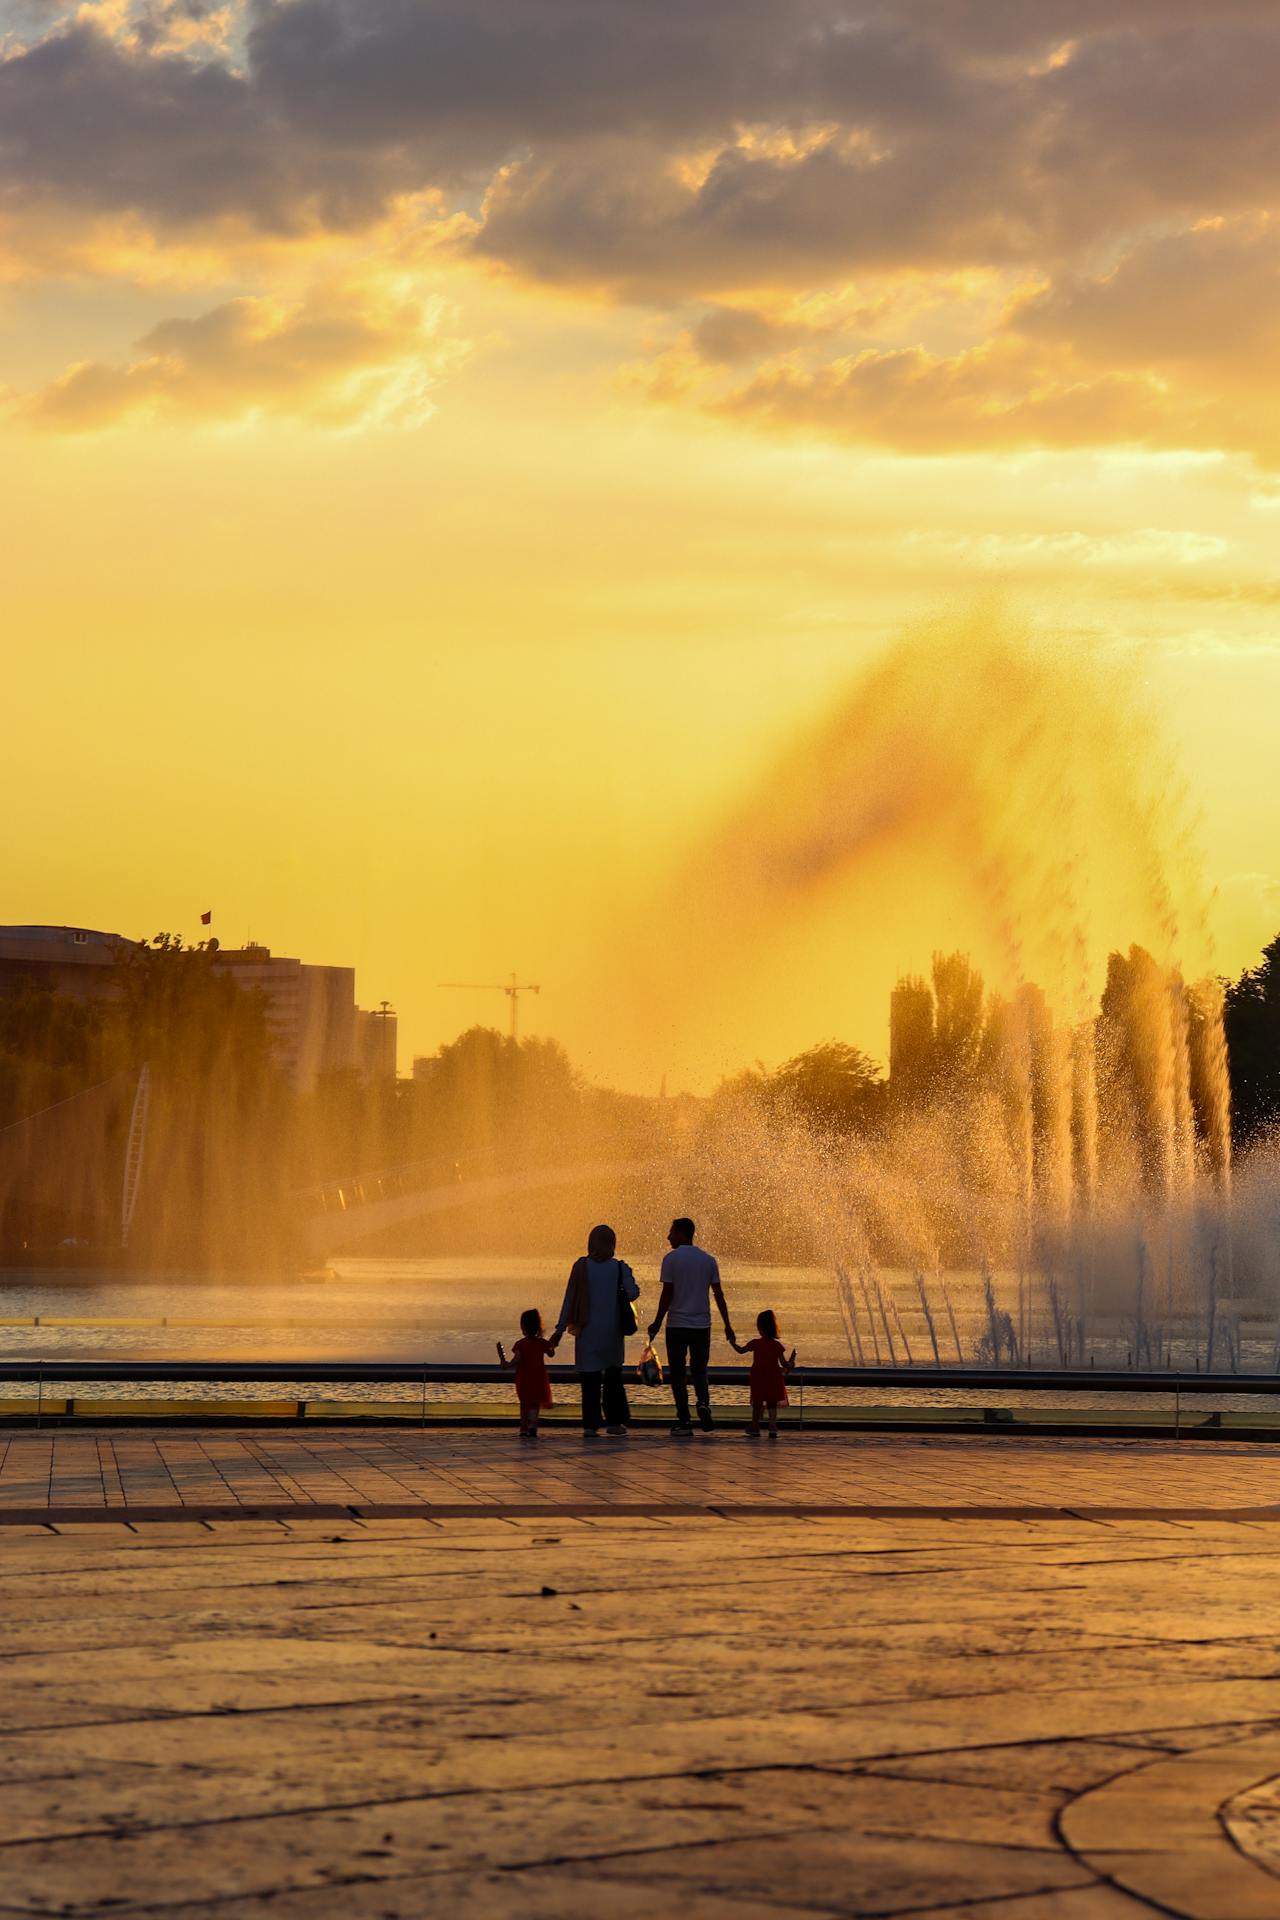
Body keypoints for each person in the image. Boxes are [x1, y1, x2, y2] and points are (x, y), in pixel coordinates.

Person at [647, 1217, 733, 1436]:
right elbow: (719, 1295)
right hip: (702, 1326)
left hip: (676, 1325)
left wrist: (657, 1322)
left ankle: (684, 1420)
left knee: (677, 1374)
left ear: (683, 1234)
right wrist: (727, 1325)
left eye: (672, 1232)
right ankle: (703, 1403)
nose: (668, 1237)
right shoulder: (708, 1260)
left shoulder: (671, 1259)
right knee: (699, 1370)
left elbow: (667, 1295)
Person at [554, 1223, 640, 1438]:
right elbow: (632, 1293)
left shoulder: (581, 1266)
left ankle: (590, 1426)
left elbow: (569, 1299)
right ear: (612, 1244)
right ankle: (614, 1422)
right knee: (613, 1379)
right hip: (612, 1333)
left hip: (587, 1333)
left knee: (590, 1382)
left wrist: (560, 1329)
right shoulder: (620, 1267)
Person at [730, 1309, 796, 1439]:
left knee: (757, 1402)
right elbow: (784, 1364)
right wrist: (791, 1364)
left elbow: (741, 1351)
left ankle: (755, 1426)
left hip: (759, 1376)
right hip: (773, 1376)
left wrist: (732, 1342)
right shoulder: (777, 1345)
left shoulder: (755, 1343)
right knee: (772, 1403)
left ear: (760, 1327)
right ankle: (772, 1427)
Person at [497, 1308, 559, 1441]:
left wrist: (506, 1365)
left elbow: (517, 1359)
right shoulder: (542, 1343)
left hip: (524, 1378)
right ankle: (533, 1426)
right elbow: (551, 1353)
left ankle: (523, 1428)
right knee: (534, 1403)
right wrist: (552, 1344)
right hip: (538, 1377)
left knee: (524, 1402)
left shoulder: (520, 1344)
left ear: (523, 1326)